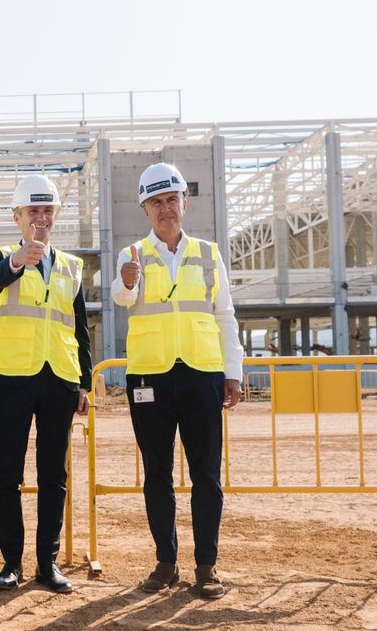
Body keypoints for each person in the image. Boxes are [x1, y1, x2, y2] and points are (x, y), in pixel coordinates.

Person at [111, 162, 243, 599]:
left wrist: (233, 372)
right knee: (157, 474)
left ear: (184, 203)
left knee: (206, 474)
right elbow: (121, 298)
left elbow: (225, 314)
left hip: (202, 374)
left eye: (172, 199)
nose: (165, 208)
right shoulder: (131, 254)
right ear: (145, 209)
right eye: (156, 202)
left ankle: (206, 567)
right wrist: (126, 283)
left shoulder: (208, 253)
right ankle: (165, 563)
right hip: (149, 377)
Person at [0, 174, 92, 594]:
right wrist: (19, 260)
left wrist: (83, 383)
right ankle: (11, 562)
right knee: (6, 473)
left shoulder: (72, 266)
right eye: (33, 211)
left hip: (59, 379)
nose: (41, 218)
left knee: (53, 474)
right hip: (13, 377)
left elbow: (80, 328)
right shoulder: (2, 257)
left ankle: (47, 562)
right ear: (18, 217)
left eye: (48, 210)